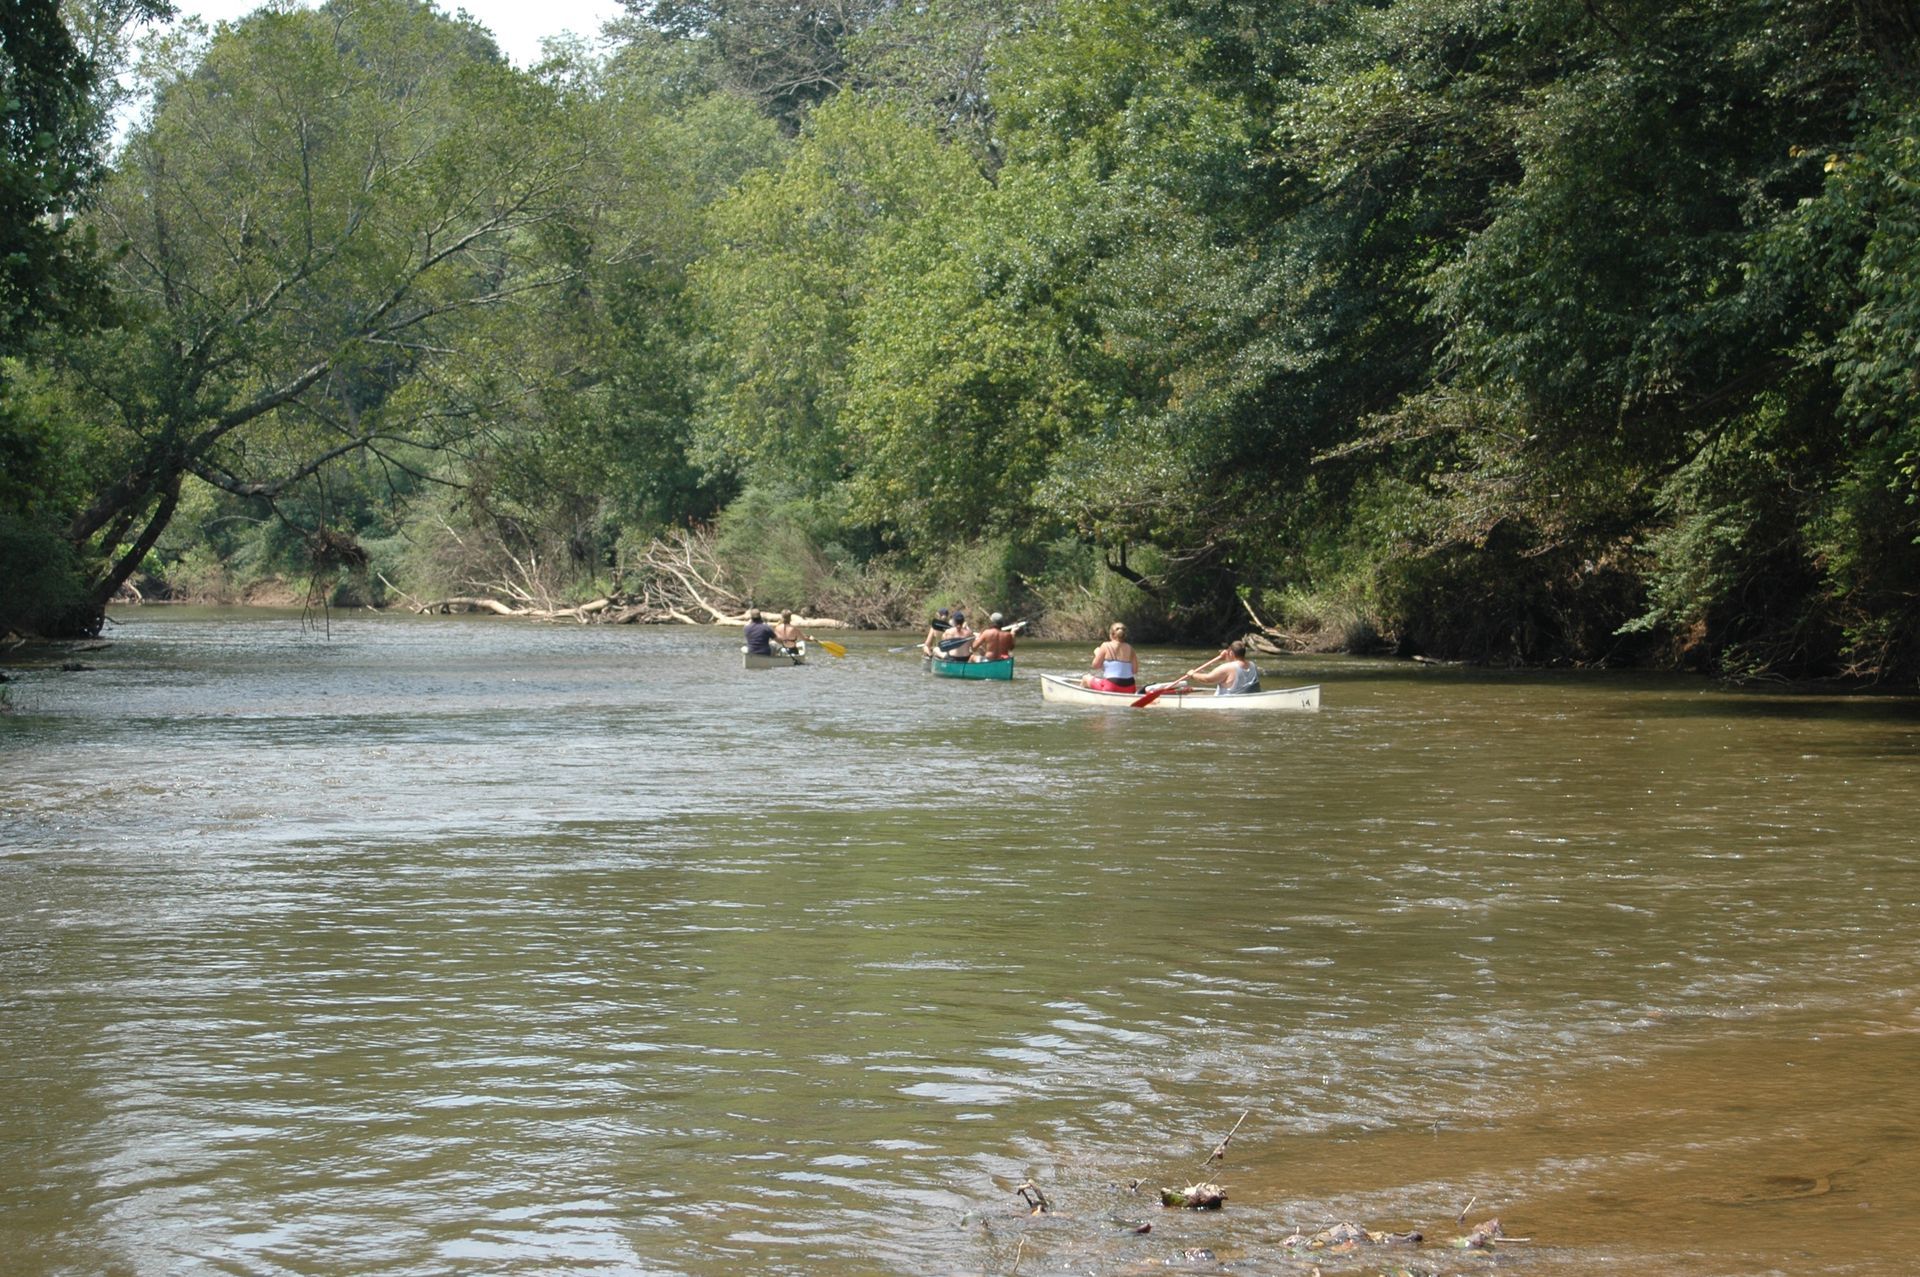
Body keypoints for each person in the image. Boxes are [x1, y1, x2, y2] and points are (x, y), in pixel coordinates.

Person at [1180, 640, 1262, 695]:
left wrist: (1193, 674)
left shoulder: (1227, 668)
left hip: (1230, 706)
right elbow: (1234, 668)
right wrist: (1224, 658)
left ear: (1231, 653)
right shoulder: (1253, 665)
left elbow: (1208, 679)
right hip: (1248, 698)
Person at [1083, 621, 1138, 692]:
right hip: (1130, 687)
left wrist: (1097, 653)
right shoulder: (1131, 649)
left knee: (1085, 678)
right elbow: (1135, 671)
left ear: (1111, 635)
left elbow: (1095, 666)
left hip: (1111, 687)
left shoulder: (1105, 646)